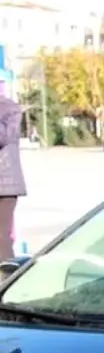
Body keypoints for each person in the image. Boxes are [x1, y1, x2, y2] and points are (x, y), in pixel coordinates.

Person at [0, 94, 27, 260]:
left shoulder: (9, 108)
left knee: (1, 235)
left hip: (6, 186)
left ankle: (6, 280)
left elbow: (3, 137)